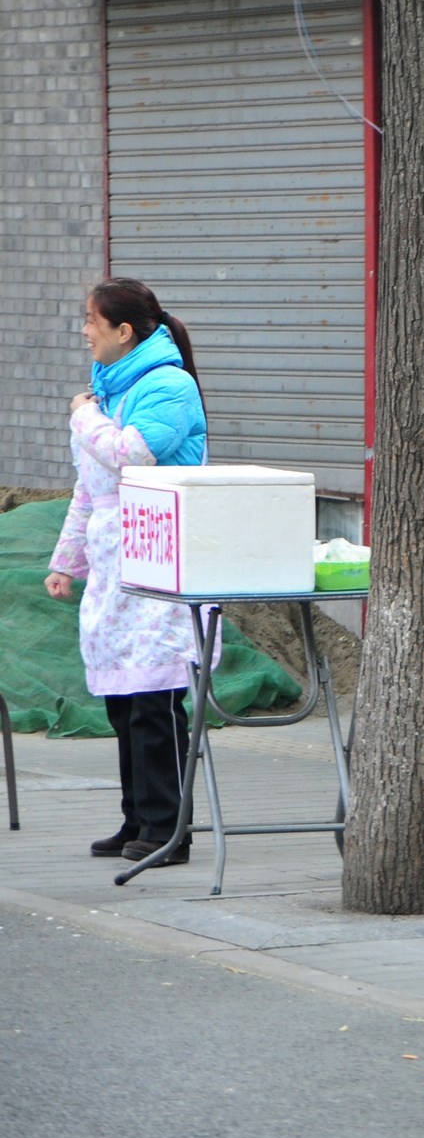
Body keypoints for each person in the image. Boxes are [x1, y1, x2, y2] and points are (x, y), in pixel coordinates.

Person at [44, 278, 208, 866]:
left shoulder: (168, 386)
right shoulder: (107, 394)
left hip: (163, 555)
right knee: (122, 697)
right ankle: (136, 817)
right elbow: (89, 493)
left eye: (91, 320)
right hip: (117, 562)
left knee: (155, 698)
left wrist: (82, 419)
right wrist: (67, 562)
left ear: (123, 331)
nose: (84, 331)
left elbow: (131, 454)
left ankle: (169, 828)